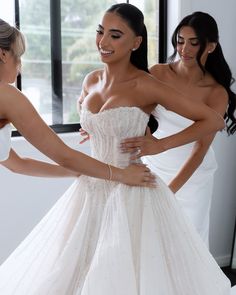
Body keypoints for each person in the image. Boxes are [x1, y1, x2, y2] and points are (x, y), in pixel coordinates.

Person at [0, 4, 231, 295]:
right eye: (100, 32)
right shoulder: (91, 80)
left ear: (136, 42)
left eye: (115, 35)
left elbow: (212, 120)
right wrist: (94, 126)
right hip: (91, 183)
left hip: (131, 187)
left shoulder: (147, 84)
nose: (103, 42)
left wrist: (159, 145)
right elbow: (51, 147)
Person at [121, 11, 236, 247]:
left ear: (211, 46)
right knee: (148, 239)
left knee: (186, 242)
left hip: (193, 176)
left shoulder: (216, 92)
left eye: (194, 43)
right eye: (180, 40)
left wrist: (171, 191)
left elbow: (201, 148)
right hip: (155, 164)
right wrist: (100, 125)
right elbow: (135, 111)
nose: (184, 49)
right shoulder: (159, 73)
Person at [0, 18, 157, 186]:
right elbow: (63, 155)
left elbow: (17, 165)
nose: (20, 65)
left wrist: (78, 171)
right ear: (3, 54)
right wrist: (123, 175)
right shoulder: (6, 95)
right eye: (18, 56)